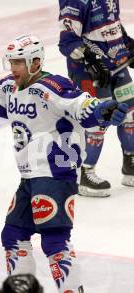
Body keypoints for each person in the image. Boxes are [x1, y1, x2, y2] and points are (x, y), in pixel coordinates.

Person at [0, 35, 127, 292]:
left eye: (19, 62)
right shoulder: (10, 88)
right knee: (13, 235)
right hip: (30, 176)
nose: (13, 68)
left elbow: (80, 103)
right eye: (11, 61)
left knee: (54, 240)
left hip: (55, 174)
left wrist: (101, 110)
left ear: (36, 62)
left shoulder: (54, 86)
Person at [58, 0, 134, 197]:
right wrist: (91, 60)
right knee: (98, 121)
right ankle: (85, 173)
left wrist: (127, 44)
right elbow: (67, 42)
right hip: (90, 73)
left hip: (118, 64)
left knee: (130, 114)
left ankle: (130, 163)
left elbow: (112, 25)